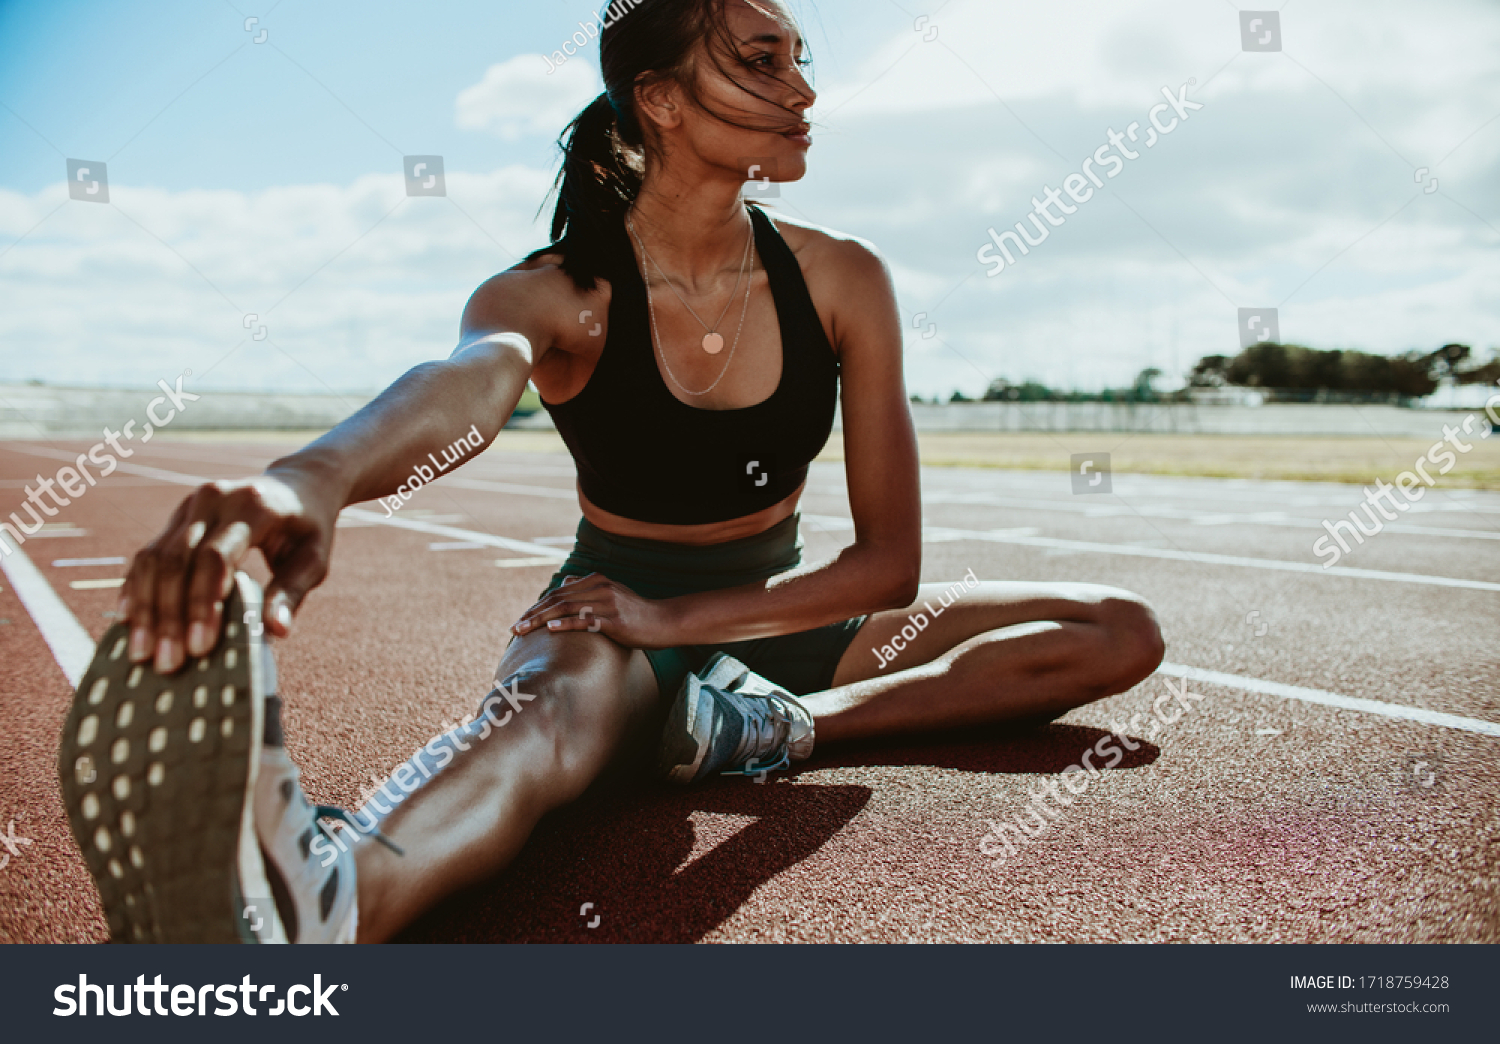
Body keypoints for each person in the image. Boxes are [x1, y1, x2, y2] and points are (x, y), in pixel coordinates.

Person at [58, 0, 1163, 943]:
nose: (804, 93)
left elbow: (889, 566)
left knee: (1119, 630)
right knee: (534, 732)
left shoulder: (842, 280)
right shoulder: (559, 295)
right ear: (663, 99)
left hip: (786, 627)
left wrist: (704, 641)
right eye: (760, 61)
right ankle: (334, 893)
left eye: (798, 59)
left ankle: (773, 727)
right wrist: (316, 477)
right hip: (607, 629)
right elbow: (464, 385)